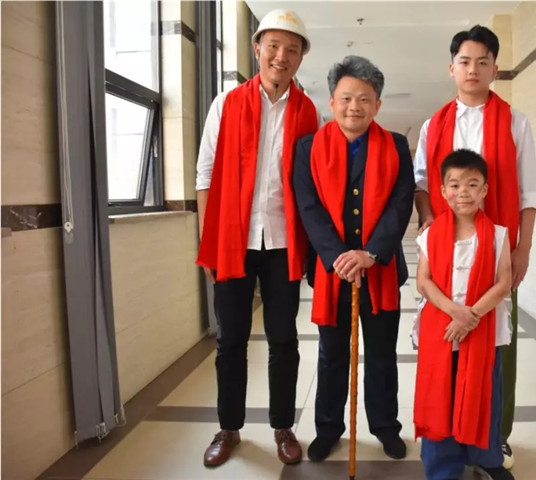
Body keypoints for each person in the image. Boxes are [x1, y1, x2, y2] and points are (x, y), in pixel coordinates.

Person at [412, 25, 536, 470]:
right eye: (464, 62)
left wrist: (523, 249)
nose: (473, 69)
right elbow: (422, 184)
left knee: (495, 349)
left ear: (495, 69)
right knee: (444, 350)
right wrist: (430, 225)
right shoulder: (433, 125)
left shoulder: (515, 122)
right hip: (444, 252)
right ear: (451, 68)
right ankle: (445, 440)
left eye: (482, 62)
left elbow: (529, 192)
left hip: (496, 250)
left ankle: (492, 440)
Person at [195, 9, 319, 467]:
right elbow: (204, 174)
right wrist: (208, 242)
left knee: (284, 339)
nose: (281, 56)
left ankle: (283, 426)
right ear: (257, 48)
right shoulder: (225, 103)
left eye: (292, 49)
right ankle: (228, 428)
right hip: (233, 240)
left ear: (301, 57)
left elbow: (313, 181)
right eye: (273, 46)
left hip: (284, 243)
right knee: (231, 340)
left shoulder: (308, 112)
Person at [293, 55, 415, 462]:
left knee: (381, 356)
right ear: (331, 102)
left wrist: (371, 253)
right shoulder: (307, 148)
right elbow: (309, 208)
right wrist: (339, 257)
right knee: (332, 356)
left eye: (364, 99)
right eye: (346, 98)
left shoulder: (396, 146)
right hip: (333, 274)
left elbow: (401, 204)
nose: (354, 107)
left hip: (380, 271)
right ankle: (328, 428)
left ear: (377, 104)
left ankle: (385, 427)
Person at [414, 149, 513, 480]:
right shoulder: (430, 235)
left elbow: (503, 283)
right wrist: (454, 312)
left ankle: (486, 458)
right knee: (440, 396)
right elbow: (423, 281)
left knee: (483, 396)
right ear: (443, 191)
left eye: (472, 184)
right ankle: (443, 466)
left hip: (484, 330)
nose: (463, 192)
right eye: (454, 185)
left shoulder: (498, 234)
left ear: (484, 190)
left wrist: (472, 316)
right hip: (441, 329)